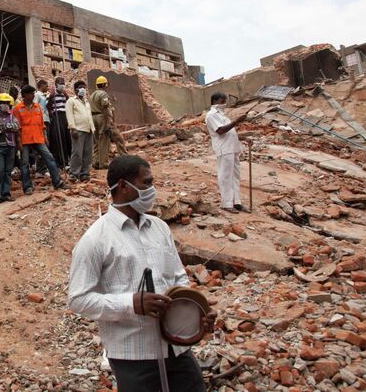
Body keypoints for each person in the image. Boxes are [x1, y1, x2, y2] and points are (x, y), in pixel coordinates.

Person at [68, 155, 216, 391]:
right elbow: (78, 299)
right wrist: (131, 304)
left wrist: (196, 314)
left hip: (176, 348)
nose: (152, 189)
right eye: (146, 183)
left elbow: (179, 278)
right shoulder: (95, 240)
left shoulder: (159, 228)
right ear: (124, 187)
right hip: (133, 356)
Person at [13, 85, 66, 195]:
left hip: (38, 137)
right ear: (25, 95)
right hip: (25, 139)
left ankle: (58, 182)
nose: (33, 95)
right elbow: (17, 127)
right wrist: (18, 142)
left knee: (49, 158)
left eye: (33, 93)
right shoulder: (18, 109)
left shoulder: (37, 107)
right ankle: (27, 187)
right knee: (24, 163)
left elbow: (42, 125)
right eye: (31, 93)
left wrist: (45, 137)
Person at [205, 92, 249, 214]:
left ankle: (237, 202)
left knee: (235, 177)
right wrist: (237, 121)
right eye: (221, 101)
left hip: (232, 148)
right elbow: (220, 131)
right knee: (225, 177)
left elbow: (230, 133)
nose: (224, 104)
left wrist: (244, 138)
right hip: (224, 149)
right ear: (214, 102)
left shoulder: (223, 116)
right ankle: (227, 203)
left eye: (225, 101)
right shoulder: (211, 115)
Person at [0, 93, 20, 204]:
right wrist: (8, 126)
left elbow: (17, 126)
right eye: (3, 103)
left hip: (11, 146)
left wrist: (4, 127)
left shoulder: (12, 116)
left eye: (7, 103)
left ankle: (6, 194)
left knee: (7, 172)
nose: (5, 105)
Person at [66, 80, 95, 182]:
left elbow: (89, 115)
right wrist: (72, 128)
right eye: (80, 87)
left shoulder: (87, 102)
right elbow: (69, 115)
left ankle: (84, 173)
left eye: (84, 87)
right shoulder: (71, 101)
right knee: (77, 153)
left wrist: (92, 128)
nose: (83, 89)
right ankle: (74, 173)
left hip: (89, 129)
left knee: (88, 153)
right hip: (78, 129)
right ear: (75, 90)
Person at [89, 76, 114, 169]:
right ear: (103, 84)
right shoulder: (103, 94)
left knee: (96, 141)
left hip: (93, 117)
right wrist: (108, 122)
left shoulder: (92, 95)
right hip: (101, 117)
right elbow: (105, 107)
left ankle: (95, 162)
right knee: (104, 140)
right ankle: (103, 163)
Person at [48, 78, 71, 169]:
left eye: (63, 83)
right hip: (57, 116)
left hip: (66, 116)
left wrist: (67, 96)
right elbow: (48, 107)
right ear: (56, 84)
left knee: (68, 138)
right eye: (61, 83)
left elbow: (69, 104)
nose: (62, 85)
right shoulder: (52, 95)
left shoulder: (64, 94)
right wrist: (51, 97)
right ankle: (63, 162)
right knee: (60, 139)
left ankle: (70, 160)